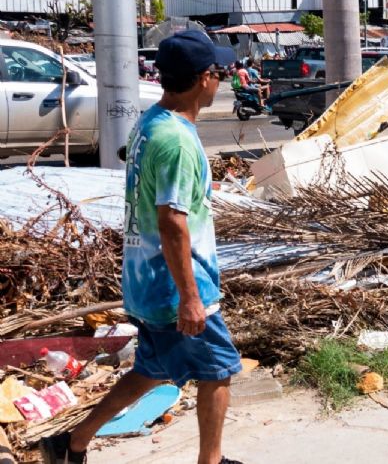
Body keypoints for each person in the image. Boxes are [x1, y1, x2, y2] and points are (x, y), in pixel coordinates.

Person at [40, 30, 243, 464]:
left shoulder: (150, 123)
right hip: (176, 290)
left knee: (151, 370)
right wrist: (190, 298)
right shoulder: (177, 142)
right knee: (220, 370)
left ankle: (71, 442)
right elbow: (172, 223)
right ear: (204, 78)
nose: (221, 79)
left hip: (145, 284)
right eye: (218, 72)